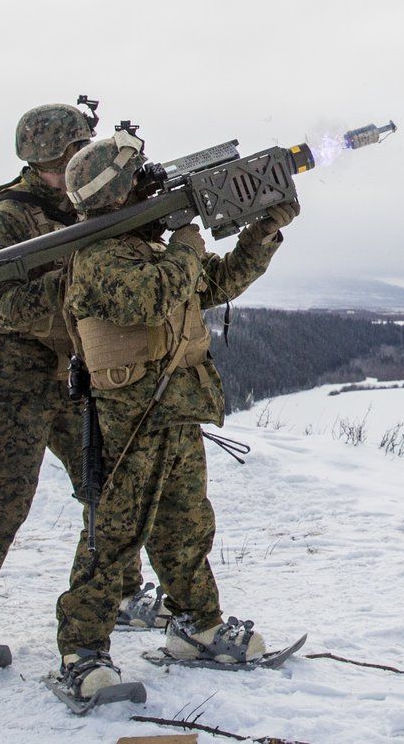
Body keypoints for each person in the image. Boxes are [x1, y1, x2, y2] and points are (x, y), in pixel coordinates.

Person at [52, 129, 297, 697]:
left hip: (175, 407)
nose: (150, 185)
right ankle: (82, 651)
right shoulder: (99, 257)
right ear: (117, 194)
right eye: (139, 179)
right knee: (114, 534)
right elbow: (151, 298)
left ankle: (196, 626)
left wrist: (265, 230)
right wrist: (189, 239)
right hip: (132, 417)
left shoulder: (147, 250)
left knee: (186, 525)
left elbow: (216, 282)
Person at [0, 103, 161, 663]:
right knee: (7, 493)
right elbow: (6, 306)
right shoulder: (11, 216)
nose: (76, 162)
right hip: (18, 374)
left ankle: (124, 593)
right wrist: (81, 286)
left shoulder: (89, 198)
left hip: (72, 368)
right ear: (40, 159)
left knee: (102, 485)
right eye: (66, 156)